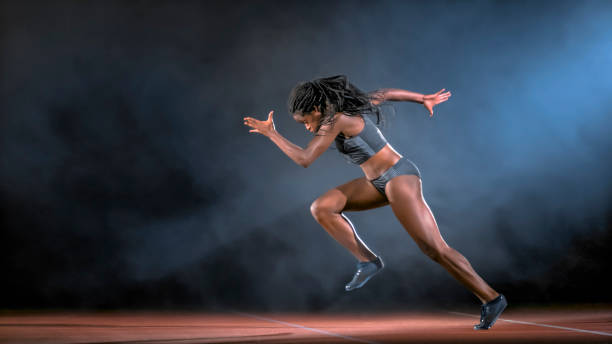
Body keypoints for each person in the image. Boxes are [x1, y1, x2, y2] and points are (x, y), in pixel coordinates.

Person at [243, 75, 507, 330]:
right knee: (322, 207)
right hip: (376, 183)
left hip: (399, 177)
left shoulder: (336, 119)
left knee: (434, 249)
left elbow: (304, 158)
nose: (307, 127)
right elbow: (387, 94)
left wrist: (272, 134)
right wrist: (421, 98)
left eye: (305, 121)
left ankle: (492, 298)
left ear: (316, 108)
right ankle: (368, 261)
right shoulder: (347, 107)